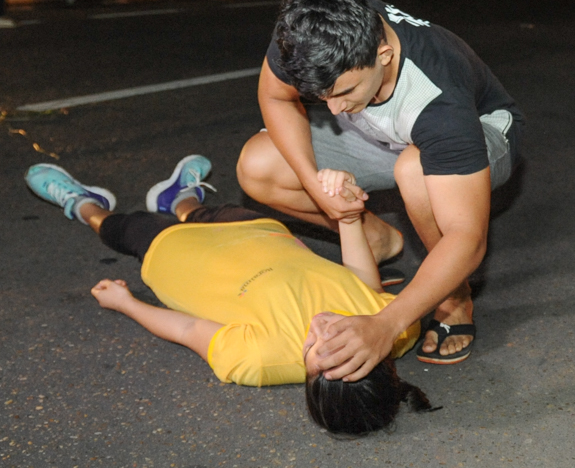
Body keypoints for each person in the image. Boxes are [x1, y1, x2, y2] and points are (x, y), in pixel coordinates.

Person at [22, 155, 432, 435]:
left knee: (122, 228)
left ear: (307, 376)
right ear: (376, 353)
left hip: (176, 255)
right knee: (203, 212)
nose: (322, 329)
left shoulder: (258, 361)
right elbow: (361, 281)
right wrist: (348, 218)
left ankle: (82, 204)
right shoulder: (393, 328)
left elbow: (188, 328)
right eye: (339, 339)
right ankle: (179, 198)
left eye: (313, 350)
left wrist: (127, 304)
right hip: (258, 231)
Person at [237, 0, 525, 379]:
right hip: (383, 129)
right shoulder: (310, 32)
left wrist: (386, 325)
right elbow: (277, 98)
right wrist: (318, 189)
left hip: (477, 133)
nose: (332, 108)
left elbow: (466, 237)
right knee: (258, 166)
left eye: (343, 92)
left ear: (384, 55)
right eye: (320, 96)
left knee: (414, 170)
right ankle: (375, 239)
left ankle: (454, 298)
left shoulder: (438, 100)